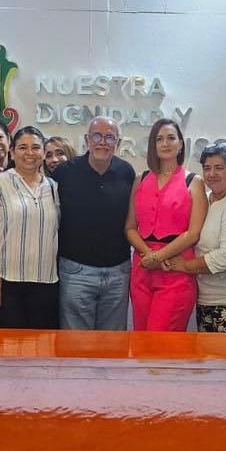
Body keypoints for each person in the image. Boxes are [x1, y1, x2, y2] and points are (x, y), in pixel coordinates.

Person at [52, 116, 137, 330]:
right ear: (87, 140)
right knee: (76, 343)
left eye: (110, 137)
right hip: (75, 272)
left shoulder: (127, 172)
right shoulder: (64, 173)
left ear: (118, 142)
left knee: (112, 342)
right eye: (97, 136)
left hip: (118, 273)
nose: (103, 142)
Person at [126, 119, 207, 332]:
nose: (165, 143)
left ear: (180, 144)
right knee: (141, 336)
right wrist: (149, 255)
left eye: (171, 138)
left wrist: (159, 257)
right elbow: (130, 227)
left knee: (161, 339)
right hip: (142, 268)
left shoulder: (194, 181)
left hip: (175, 269)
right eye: (159, 139)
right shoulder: (140, 179)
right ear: (152, 145)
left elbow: (193, 233)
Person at [0, 126, 60, 328]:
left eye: (36, 147)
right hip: (6, 281)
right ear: (12, 152)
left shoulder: (53, 187)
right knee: (9, 342)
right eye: (23, 147)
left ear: (43, 153)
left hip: (46, 280)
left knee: (41, 342)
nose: (29, 153)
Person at [167, 140, 226, 332]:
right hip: (205, 299)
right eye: (207, 168)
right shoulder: (204, 198)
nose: (212, 174)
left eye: (219, 168)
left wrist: (185, 266)